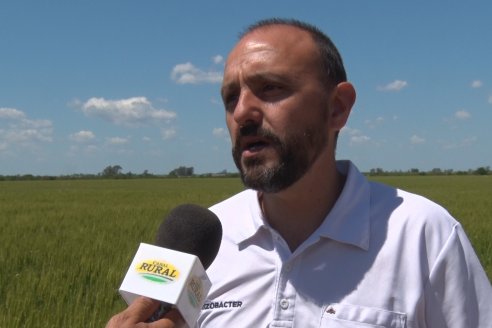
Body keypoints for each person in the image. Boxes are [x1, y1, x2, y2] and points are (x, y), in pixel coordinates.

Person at [107, 18, 491, 328]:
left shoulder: (424, 235)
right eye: (230, 98)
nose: (241, 113)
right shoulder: (206, 241)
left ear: (337, 108)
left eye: (270, 88)